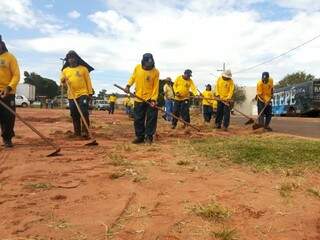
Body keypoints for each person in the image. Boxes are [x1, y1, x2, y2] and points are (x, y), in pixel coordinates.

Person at [124, 53, 159, 144]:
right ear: (143, 62)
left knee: (151, 118)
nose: (149, 65)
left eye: (150, 63)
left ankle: (149, 137)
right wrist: (128, 86)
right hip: (138, 97)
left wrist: (154, 100)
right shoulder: (137, 68)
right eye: (147, 63)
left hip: (150, 99)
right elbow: (133, 77)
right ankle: (140, 137)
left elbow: (156, 86)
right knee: (138, 119)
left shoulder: (156, 72)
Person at [61, 50, 94, 138]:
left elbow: (88, 82)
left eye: (73, 57)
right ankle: (77, 132)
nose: (71, 60)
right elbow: (63, 85)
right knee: (74, 113)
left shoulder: (83, 69)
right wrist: (63, 82)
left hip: (83, 93)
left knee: (84, 111)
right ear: (67, 60)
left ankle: (85, 132)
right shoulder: (65, 71)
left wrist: (90, 94)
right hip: (71, 95)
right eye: (69, 58)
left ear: (77, 58)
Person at [0, 35, 20, 148]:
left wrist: (9, 88)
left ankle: (7, 138)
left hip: (8, 92)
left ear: (1, 44)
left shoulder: (10, 57)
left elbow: (16, 75)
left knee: (8, 117)